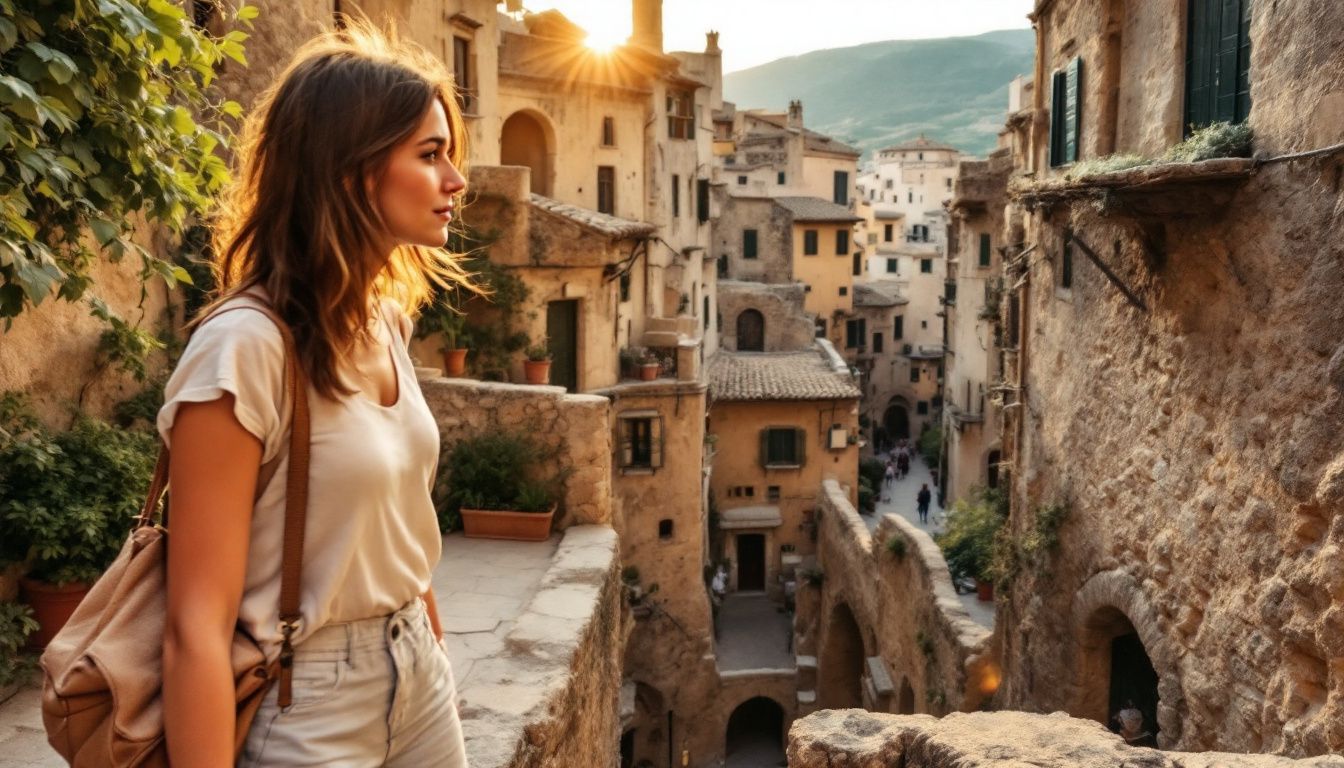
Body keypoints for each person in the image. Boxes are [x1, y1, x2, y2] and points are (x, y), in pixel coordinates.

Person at [159, 23, 473, 767]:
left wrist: (433, 659)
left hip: (418, 678)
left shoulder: (386, 323)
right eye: (430, 156)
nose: (456, 179)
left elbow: (402, 529)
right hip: (306, 703)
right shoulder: (243, 349)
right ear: (350, 172)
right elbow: (193, 629)